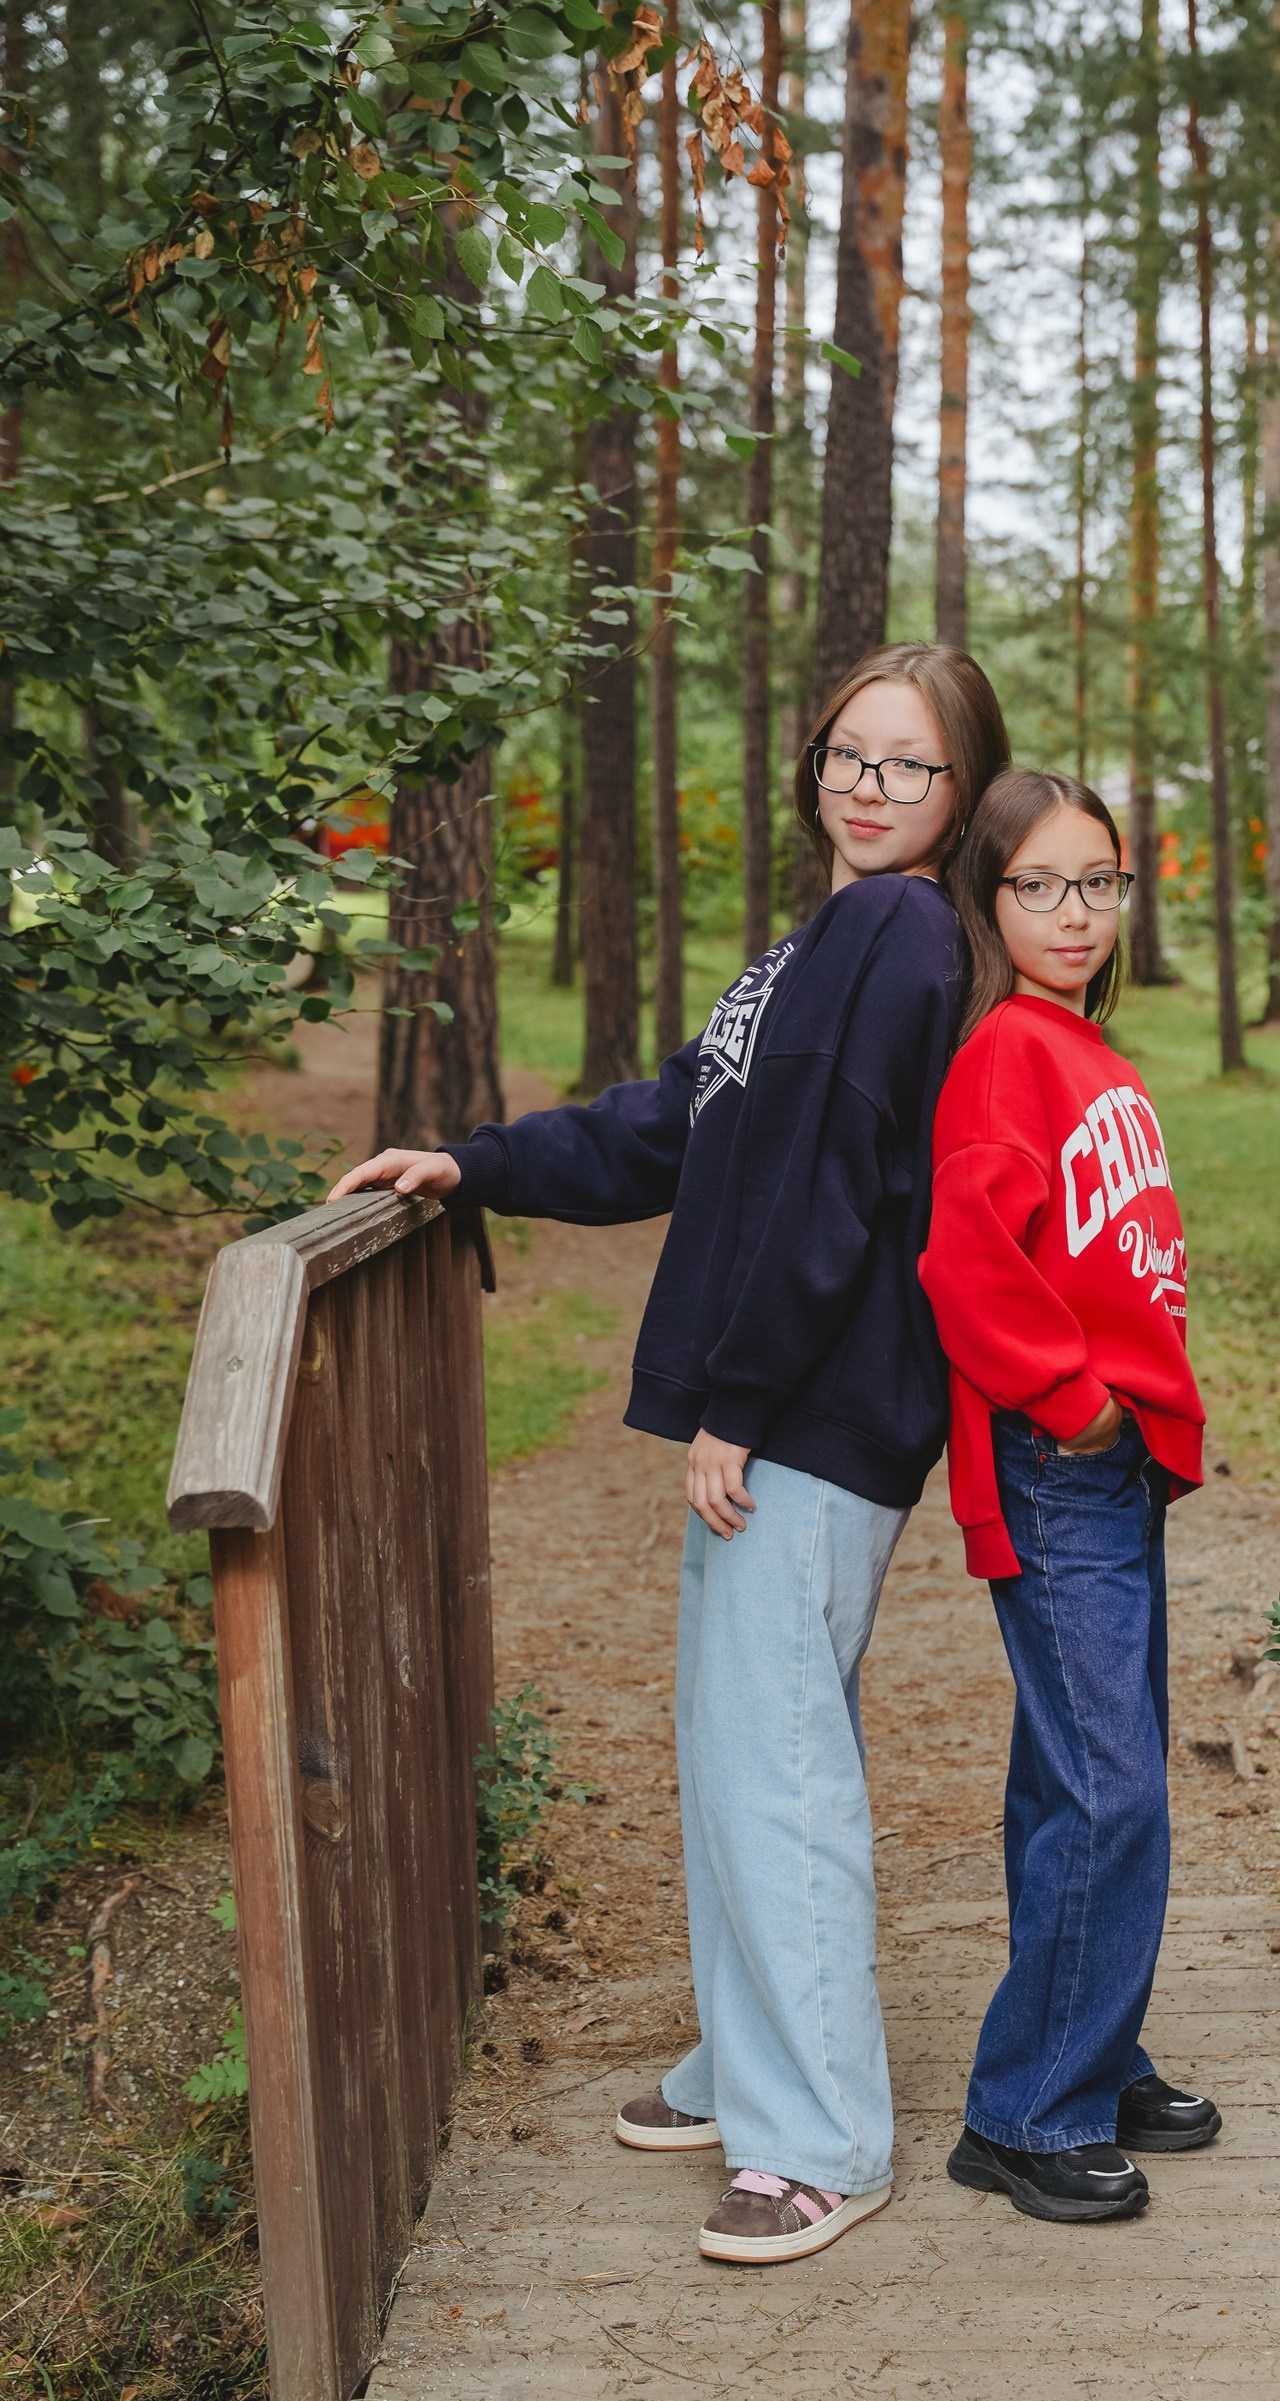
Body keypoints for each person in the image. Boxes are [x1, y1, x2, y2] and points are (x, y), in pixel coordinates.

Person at [332, 643, 1011, 2265]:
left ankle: (821, 2141)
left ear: (964, 790)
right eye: (848, 752)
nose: (868, 786)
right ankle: (743, 2061)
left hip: (817, 1411)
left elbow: (835, 1183)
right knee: (736, 1744)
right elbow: (675, 1122)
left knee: (778, 1767)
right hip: (791, 1407)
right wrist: (476, 1164)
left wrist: (743, 1396)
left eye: (909, 765)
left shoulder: (901, 932)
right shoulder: (822, 939)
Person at [917, 768, 1221, 2226]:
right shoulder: (1003, 1057)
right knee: (1112, 1786)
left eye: (1097, 881)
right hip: (1061, 1462)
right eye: (1038, 885)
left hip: (1116, 1464)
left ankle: (1095, 2056)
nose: (1075, 911)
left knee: (1079, 1773)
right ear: (989, 901)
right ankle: (1026, 2113)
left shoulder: (1087, 1051)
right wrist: (1076, 1402)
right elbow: (967, 1266)